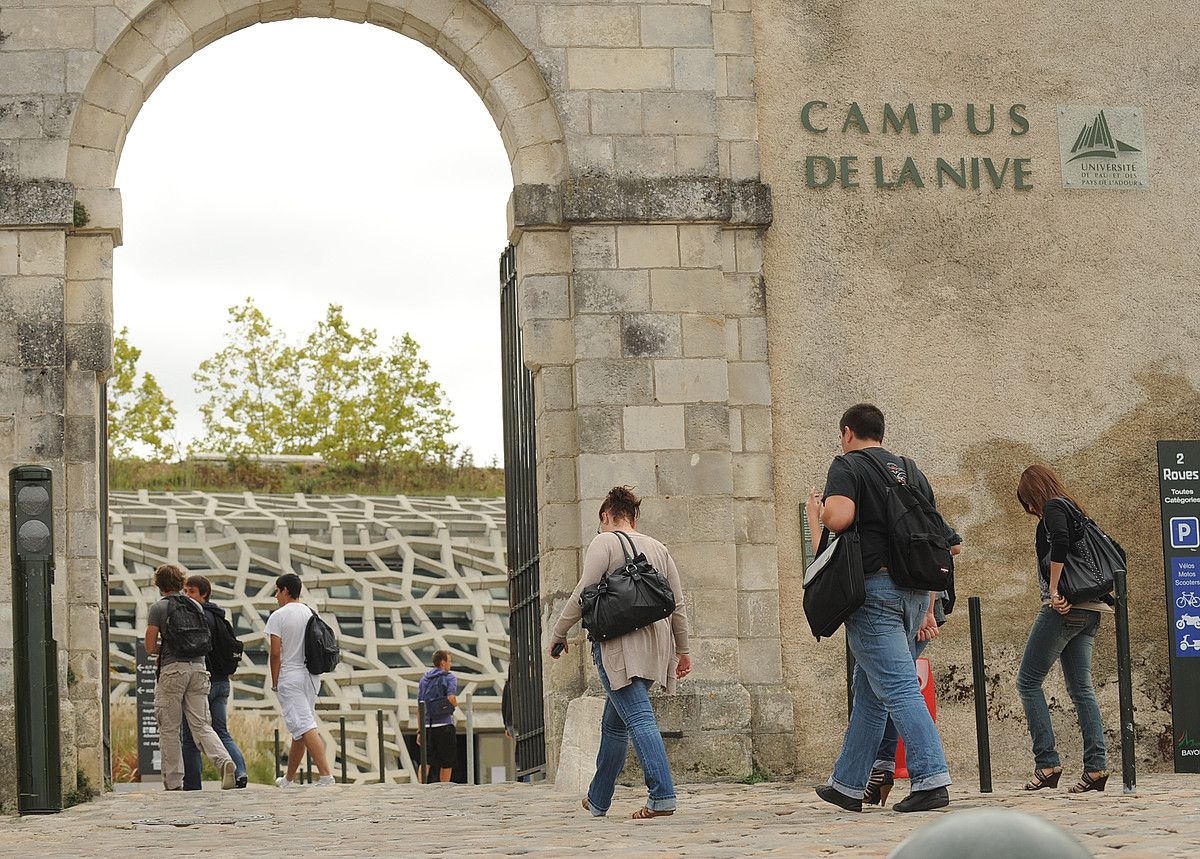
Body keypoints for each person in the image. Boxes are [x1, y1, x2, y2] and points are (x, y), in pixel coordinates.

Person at [806, 404, 953, 812]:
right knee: (871, 690)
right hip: (913, 594)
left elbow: (841, 518)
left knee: (899, 687)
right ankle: (849, 784)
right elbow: (944, 536)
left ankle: (930, 778)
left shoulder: (847, 465)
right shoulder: (909, 468)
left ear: (847, 432)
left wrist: (816, 516)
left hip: (875, 591)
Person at [549, 486, 691, 820]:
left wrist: (559, 633)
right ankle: (598, 799)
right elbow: (678, 606)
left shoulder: (604, 541)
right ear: (634, 515)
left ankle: (662, 796)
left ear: (605, 515)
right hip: (656, 648)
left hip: (618, 646)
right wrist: (683, 650)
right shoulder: (659, 548)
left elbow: (583, 593)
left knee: (639, 717)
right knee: (614, 725)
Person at [1015, 464, 1110, 793]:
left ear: (1032, 495)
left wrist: (1055, 590)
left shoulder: (1054, 507)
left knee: (1027, 682)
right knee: (1082, 689)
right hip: (1090, 610)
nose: (1028, 510)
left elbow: (1060, 541)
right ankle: (1096, 767)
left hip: (1063, 610)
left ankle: (1047, 762)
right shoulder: (1073, 506)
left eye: (1026, 502)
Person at [143, 564, 236, 791]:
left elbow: (148, 646)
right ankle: (224, 761)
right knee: (202, 725)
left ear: (159, 584)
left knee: (170, 728)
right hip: (199, 668)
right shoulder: (195, 605)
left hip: (173, 670)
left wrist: (162, 649)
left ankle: (174, 782)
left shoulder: (159, 607)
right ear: (181, 583)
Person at [265, 573, 335, 787]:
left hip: (290, 675)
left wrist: (275, 680)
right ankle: (288, 779)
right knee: (300, 728)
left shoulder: (278, 616)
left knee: (304, 724)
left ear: (286, 590)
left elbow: (275, 653)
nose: (276, 595)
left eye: (277, 590)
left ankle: (326, 776)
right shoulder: (310, 612)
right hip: (312, 677)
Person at [180, 574, 248, 789]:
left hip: (204, 682)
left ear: (204, 594)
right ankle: (240, 772)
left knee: (191, 735)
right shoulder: (220, 617)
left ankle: (192, 783)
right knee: (220, 730)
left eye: (191, 591)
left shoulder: (199, 617)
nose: (187, 595)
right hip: (223, 682)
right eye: (185, 591)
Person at [416, 650, 459, 783]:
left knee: (426, 760)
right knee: (446, 761)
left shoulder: (424, 679)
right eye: (449, 661)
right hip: (445, 724)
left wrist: (419, 730)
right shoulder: (450, 677)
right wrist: (455, 705)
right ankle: (444, 790)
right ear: (442, 662)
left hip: (428, 726)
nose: (450, 664)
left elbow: (420, 707)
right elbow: (451, 697)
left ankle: (421, 788)